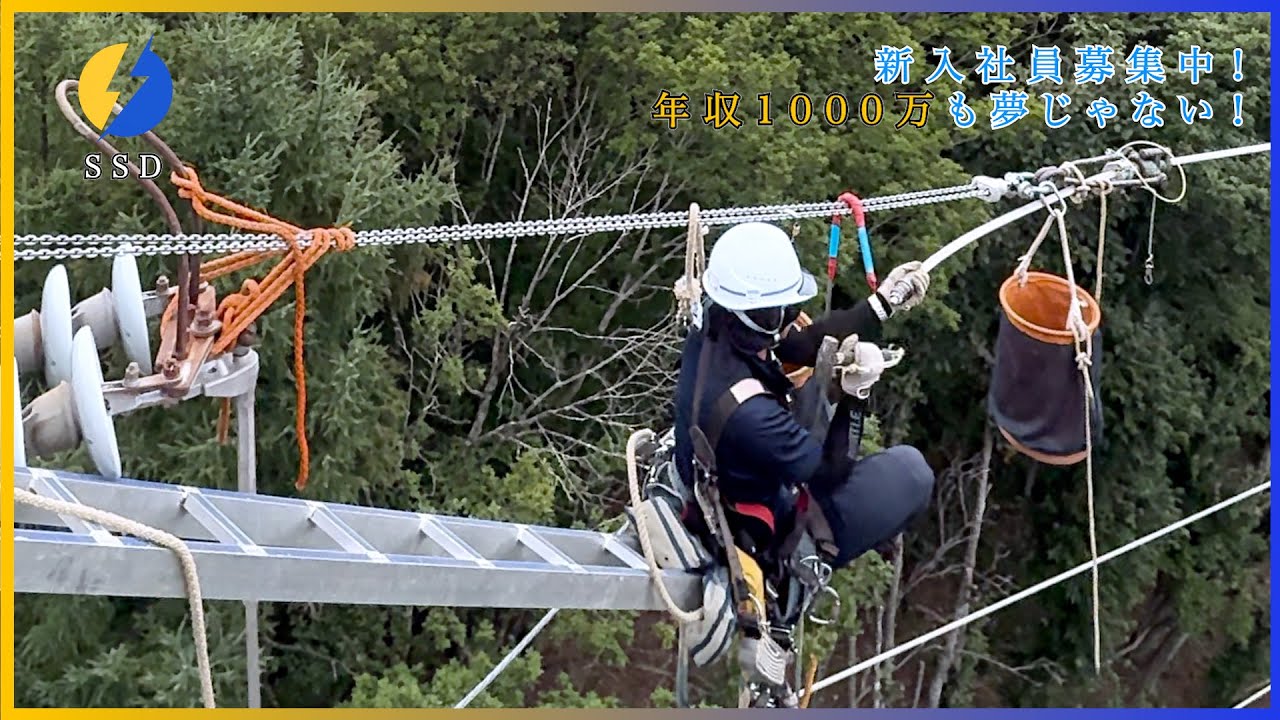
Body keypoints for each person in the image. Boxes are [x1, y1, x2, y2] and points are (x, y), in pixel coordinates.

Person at [665, 221, 936, 664]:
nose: (791, 318)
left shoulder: (717, 321)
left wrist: (882, 304)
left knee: (814, 392)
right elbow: (830, 474)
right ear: (761, 317)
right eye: (781, 312)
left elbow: (800, 343)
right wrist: (857, 395)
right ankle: (792, 583)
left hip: (721, 467)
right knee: (911, 472)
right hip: (758, 519)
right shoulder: (749, 412)